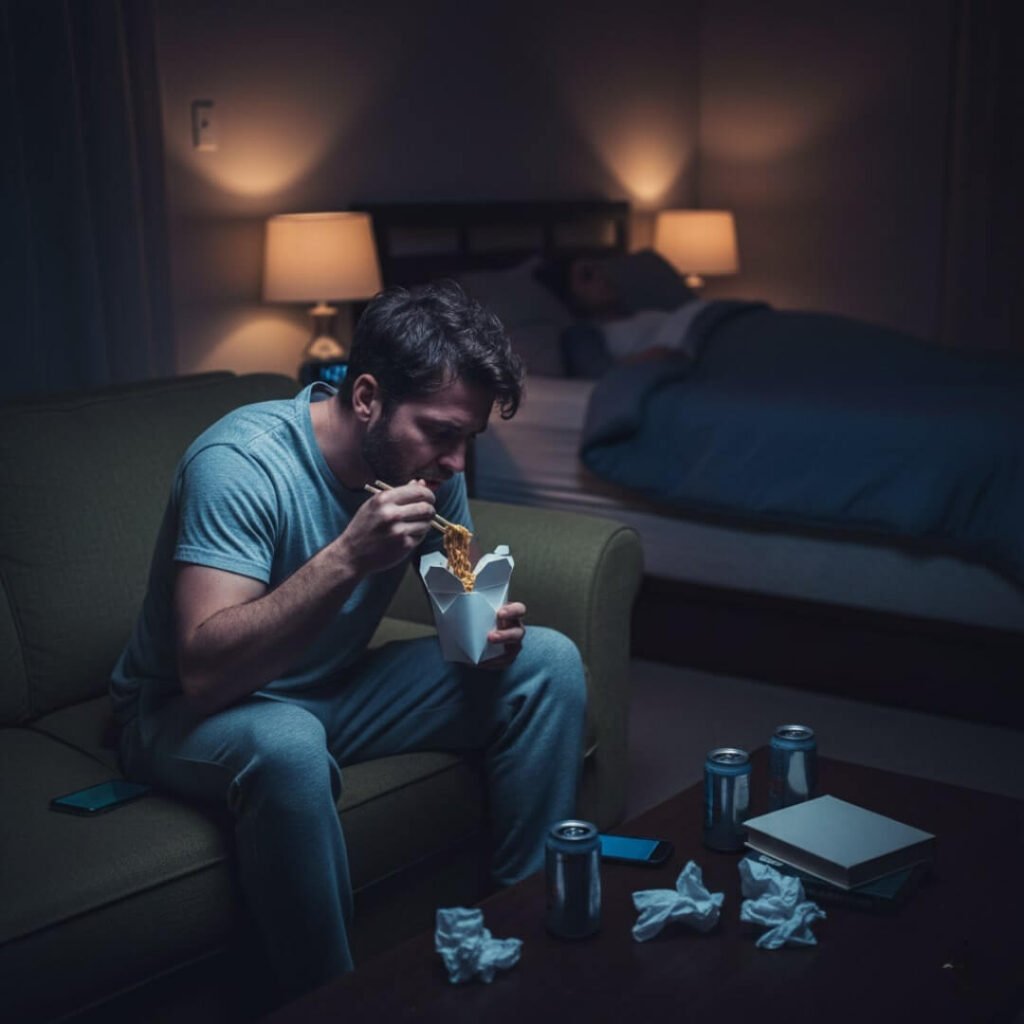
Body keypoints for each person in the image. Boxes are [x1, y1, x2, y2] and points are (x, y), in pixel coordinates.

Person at [109, 280, 587, 1001]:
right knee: (290, 740)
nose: (457, 462)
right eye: (440, 431)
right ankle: (334, 1001)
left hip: (332, 691)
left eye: (469, 437)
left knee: (548, 662)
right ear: (366, 397)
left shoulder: (428, 468)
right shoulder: (241, 462)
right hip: (184, 711)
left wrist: (484, 636)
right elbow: (203, 670)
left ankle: (519, 931)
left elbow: (462, 631)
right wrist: (346, 557)